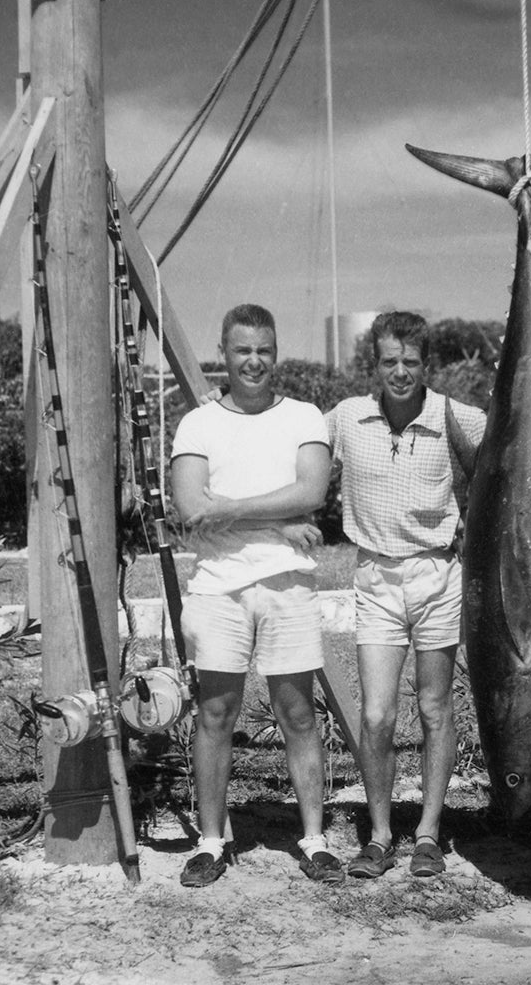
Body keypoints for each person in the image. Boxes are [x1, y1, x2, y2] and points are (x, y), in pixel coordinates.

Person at [170, 303, 343, 887]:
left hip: (287, 587)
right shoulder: (198, 424)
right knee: (215, 714)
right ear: (224, 352)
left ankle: (314, 839)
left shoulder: (302, 416)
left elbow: (312, 489)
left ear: (277, 351)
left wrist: (234, 513)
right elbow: (192, 509)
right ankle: (213, 841)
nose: (254, 360)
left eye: (264, 349)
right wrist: (277, 521)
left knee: (298, 713)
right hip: (218, 591)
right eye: (242, 350)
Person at [325, 310, 486, 878]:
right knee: (376, 716)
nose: (400, 372)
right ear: (374, 363)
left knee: (435, 707)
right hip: (375, 580)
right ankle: (379, 834)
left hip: (438, 578)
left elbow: (507, 458)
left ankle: (428, 834)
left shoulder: (452, 416)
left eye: (411, 362)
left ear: (427, 365)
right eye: (389, 361)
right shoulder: (346, 418)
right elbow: (298, 456)